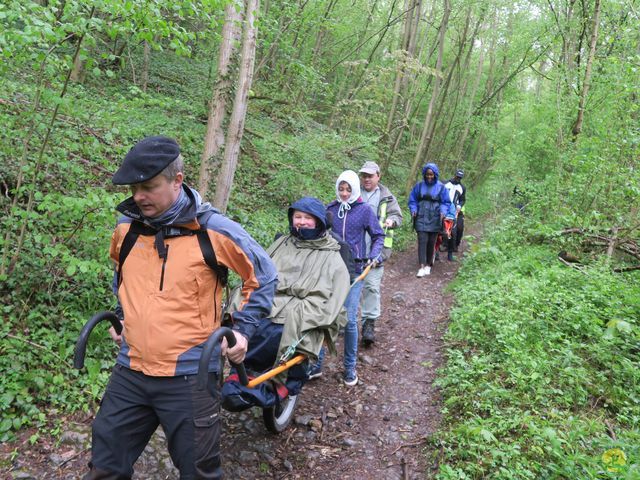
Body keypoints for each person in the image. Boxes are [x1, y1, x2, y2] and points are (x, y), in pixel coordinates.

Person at [85, 136, 277, 480]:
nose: (138, 196)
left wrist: (242, 329)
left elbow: (262, 274)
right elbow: (122, 273)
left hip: (191, 374)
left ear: (178, 180)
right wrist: (123, 313)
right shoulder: (126, 228)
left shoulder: (213, 230)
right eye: (134, 187)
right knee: (105, 465)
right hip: (131, 370)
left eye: (148, 187)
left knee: (198, 472)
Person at [312, 170, 384, 386]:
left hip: (355, 269)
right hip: (330, 270)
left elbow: (378, 235)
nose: (344, 193)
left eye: (348, 189)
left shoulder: (364, 210)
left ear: (354, 189)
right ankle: (316, 365)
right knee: (324, 315)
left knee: (350, 319)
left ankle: (350, 368)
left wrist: (374, 256)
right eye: (341, 189)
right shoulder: (330, 209)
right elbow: (319, 234)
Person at [358, 161, 403, 347]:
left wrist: (392, 221)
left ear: (378, 176)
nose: (367, 179)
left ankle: (369, 323)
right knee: (346, 286)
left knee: (371, 287)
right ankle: (344, 322)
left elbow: (398, 217)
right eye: (364, 176)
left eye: (370, 176)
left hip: (377, 249)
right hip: (354, 248)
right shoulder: (353, 191)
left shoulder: (387, 196)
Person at [408, 162, 451, 277]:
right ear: (424, 174)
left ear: (435, 174)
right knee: (422, 241)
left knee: (431, 242)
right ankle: (421, 266)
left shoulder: (441, 187)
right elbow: (412, 200)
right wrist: (413, 209)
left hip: (435, 217)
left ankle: (428, 264)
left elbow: (446, 202)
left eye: (431, 174)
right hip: (421, 216)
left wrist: (443, 211)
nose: (429, 176)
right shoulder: (419, 186)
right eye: (427, 174)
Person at [443, 169, 466, 260]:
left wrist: (460, 205)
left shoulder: (462, 188)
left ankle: (452, 249)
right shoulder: (445, 184)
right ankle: (439, 248)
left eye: (460, 178)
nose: (458, 179)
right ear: (454, 175)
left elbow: (463, 199)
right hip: (444, 208)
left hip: (456, 211)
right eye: (457, 176)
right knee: (440, 229)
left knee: (457, 229)